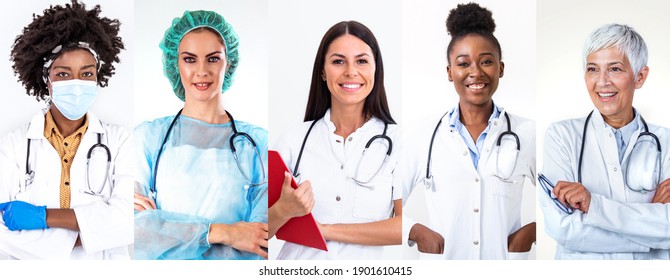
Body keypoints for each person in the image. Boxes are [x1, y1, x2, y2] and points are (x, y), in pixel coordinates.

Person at [396, 3, 536, 260]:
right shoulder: (422, 135)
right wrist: (414, 231)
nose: (476, 72)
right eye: (463, 63)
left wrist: (532, 231)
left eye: (486, 61)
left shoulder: (527, 133)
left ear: (501, 68)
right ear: (450, 72)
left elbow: (559, 198)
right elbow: (385, 200)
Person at [0, 0, 132, 259]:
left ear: (97, 77)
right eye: (63, 74)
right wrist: (92, 234)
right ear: (45, 80)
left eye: (86, 74)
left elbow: (129, 218)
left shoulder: (121, 141)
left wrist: (43, 218)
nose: (76, 83)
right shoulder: (12, 147)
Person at [132, 10, 269, 260]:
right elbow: (135, 230)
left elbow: (261, 237)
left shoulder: (257, 142)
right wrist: (223, 232)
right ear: (176, 63)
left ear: (229, 63)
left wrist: (163, 225)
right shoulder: (149, 138)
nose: (202, 70)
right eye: (190, 59)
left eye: (213, 59)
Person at [270, 21, 401, 259]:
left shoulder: (400, 142)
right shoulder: (293, 140)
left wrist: (325, 231)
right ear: (322, 70)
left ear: (375, 69)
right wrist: (282, 210)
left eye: (361, 61)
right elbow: (259, 229)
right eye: (338, 61)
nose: (351, 71)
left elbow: (406, 227)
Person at [539, 23, 670, 260]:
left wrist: (594, 207)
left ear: (640, 76)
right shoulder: (562, 137)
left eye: (615, 69)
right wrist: (651, 220)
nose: (602, 82)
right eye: (592, 69)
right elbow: (564, 228)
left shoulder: (666, 142)